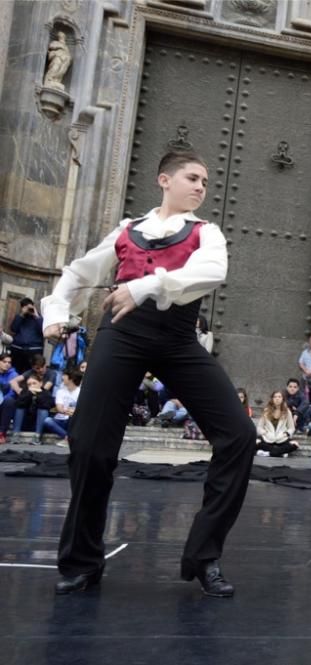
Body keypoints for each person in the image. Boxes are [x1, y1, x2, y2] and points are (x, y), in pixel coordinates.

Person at [39, 150, 256, 597]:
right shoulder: (126, 230)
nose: (201, 187)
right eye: (193, 178)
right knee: (89, 443)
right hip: (122, 334)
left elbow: (212, 272)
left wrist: (145, 285)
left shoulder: (205, 232)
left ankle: (203, 555)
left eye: (205, 182)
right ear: (164, 180)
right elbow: (79, 274)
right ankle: (82, 561)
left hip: (178, 337)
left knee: (239, 434)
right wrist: (56, 313)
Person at [44, 368, 82, 447]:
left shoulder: (81, 392)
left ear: (71, 378)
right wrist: (66, 411)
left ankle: (68, 438)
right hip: (61, 420)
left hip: (74, 420)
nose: (62, 377)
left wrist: (74, 411)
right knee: (48, 421)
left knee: (74, 416)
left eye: (65, 375)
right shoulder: (60, 391)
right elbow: (59, 408)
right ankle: (68, 438)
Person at [256, 390, 299, 457]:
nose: (277, 398)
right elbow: (259, 427)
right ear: (272, 399)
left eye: (279, 397)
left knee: (295, 445)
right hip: (268, 438)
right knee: (256, 443)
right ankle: (280, 453)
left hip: (281, 438)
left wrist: (286, 433)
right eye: (275, 397)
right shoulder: (266, 411)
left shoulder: (287, 411)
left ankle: (268, 453)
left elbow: (291, 428)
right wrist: (265, 433)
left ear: (282, 399)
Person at [12, 375, 54, 443]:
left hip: (39, 424)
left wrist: (39, 394)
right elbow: (18, 404)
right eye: (29, 384)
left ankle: (37, 437)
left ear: (41, 383)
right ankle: (15, 435)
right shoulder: (25, 392)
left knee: (43, 409)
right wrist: (29, 394)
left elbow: (48, 405)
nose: (32, 386)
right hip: (25, 423)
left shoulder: (46, 393)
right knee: (20, 407)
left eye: (34, 383)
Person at [8, 298, 45, 373]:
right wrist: (22, 314)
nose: (28, 310)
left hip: (34, 350)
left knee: (31, 372)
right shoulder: (19, 317)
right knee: (15, 371)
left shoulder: (39, 317)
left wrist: (36, 316)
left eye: (30, 307)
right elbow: (13, 329)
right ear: (22, 308)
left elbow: (43, 331)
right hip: (18, 349)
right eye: (25, 307)